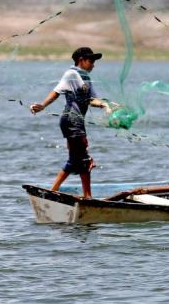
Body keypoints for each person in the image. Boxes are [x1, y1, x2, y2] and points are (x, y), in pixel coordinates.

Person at [30, 46, 113, 197]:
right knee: (84, 160)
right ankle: (84, 197)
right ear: (81, 60)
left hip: (77, 122)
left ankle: (54, 192)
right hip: (71, 120)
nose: (94, 64)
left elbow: (92, 100)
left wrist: (107, 105)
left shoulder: (86, 77)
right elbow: (56, 92)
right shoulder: (71, 74)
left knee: (77, 160)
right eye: (91, 60)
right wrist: (42, 106)